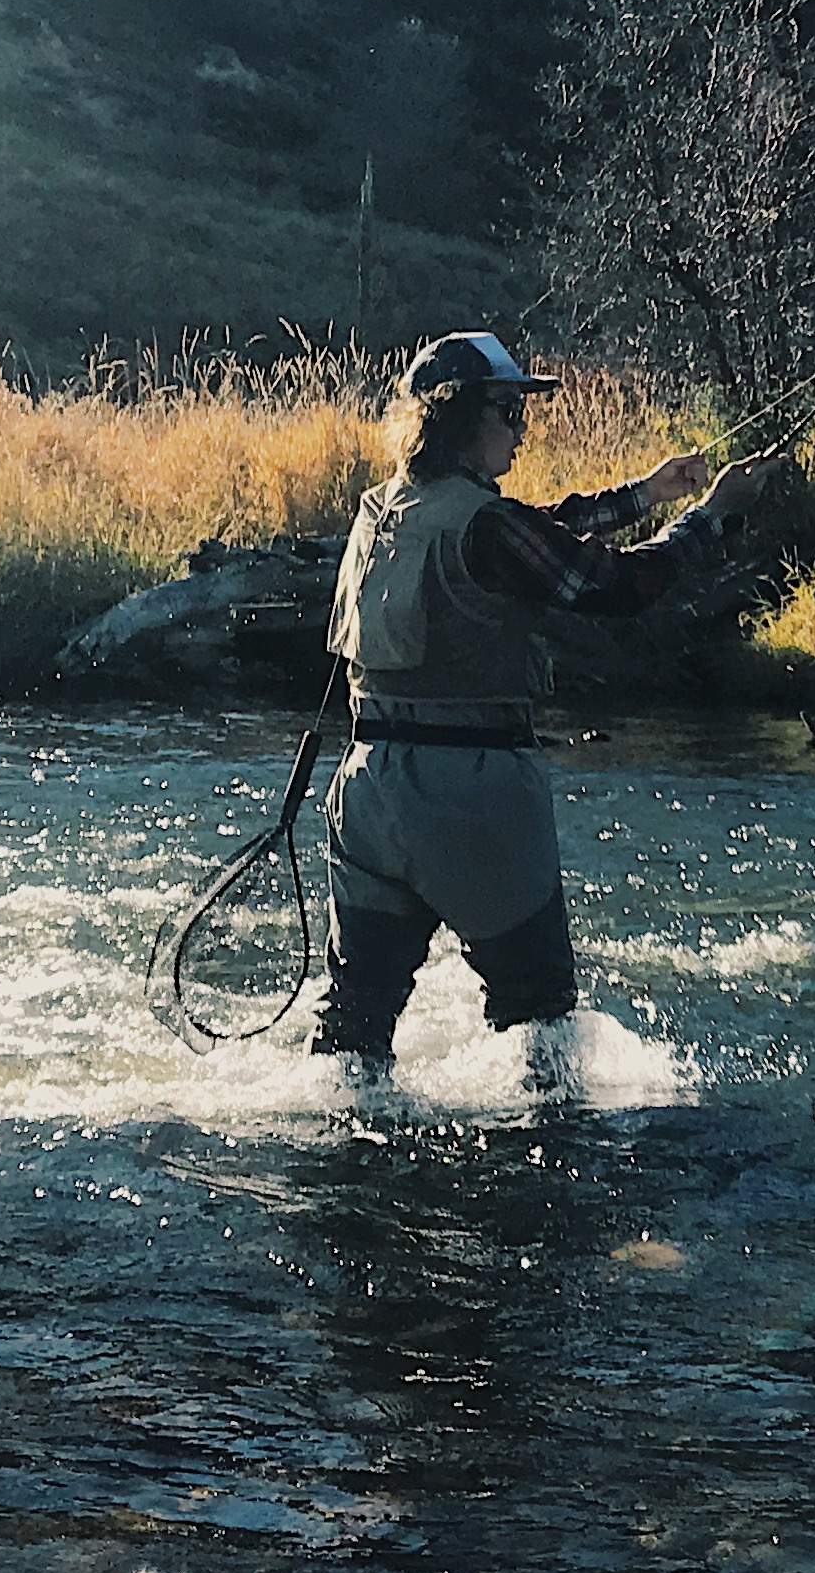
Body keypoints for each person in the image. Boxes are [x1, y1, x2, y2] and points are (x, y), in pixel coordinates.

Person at [311, 331, 749, 1086]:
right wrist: (711, 517)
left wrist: (647, 493)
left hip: (366, 791)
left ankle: (340, 1162)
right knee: (538, 1007)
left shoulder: (382, 511)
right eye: (510, 412)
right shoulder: (487, 526)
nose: (522, 428)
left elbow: (531, 528)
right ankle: (543, 1174)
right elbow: (617, 588)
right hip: (471, 794)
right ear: (458, 417)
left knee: (356, 1020)